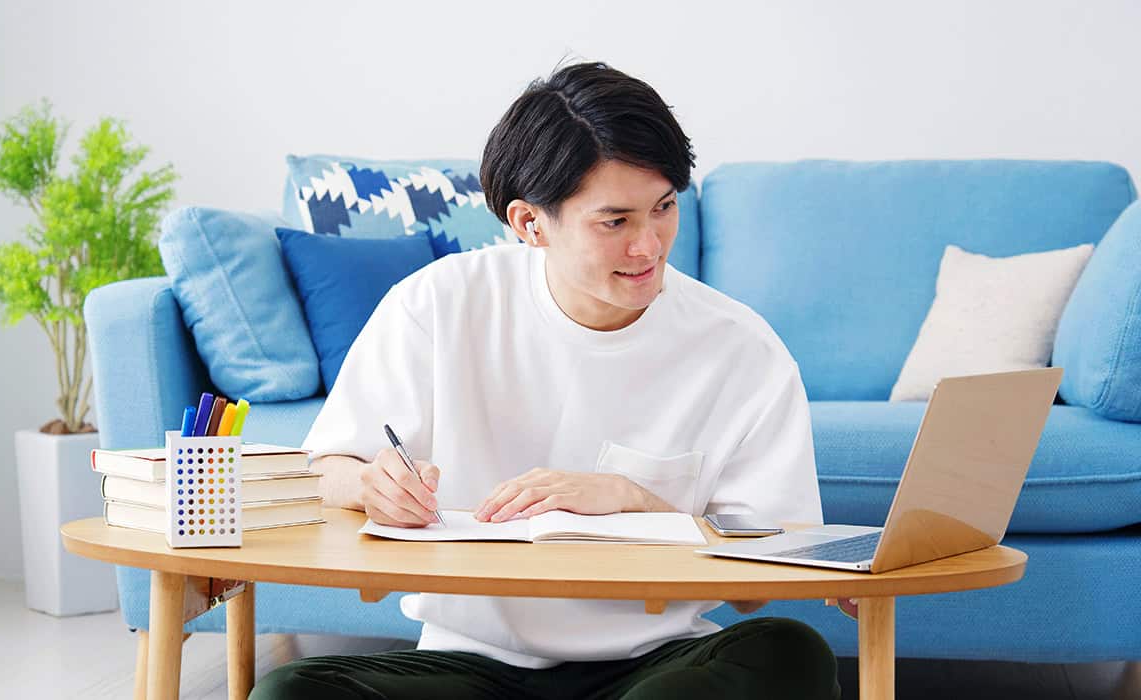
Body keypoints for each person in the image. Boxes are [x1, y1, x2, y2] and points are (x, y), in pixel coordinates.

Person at [250, 60, 841, 700]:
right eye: (615, 221)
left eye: (664, 207)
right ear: (530, 223)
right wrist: (370, 483)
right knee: (291, 692)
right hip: (470, 665)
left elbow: (761, 586)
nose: (649, 246)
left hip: (658, 664)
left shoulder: (742, 349)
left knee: (789, 653)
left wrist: (636, 499)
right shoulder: (437, 305)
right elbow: (323, 466)